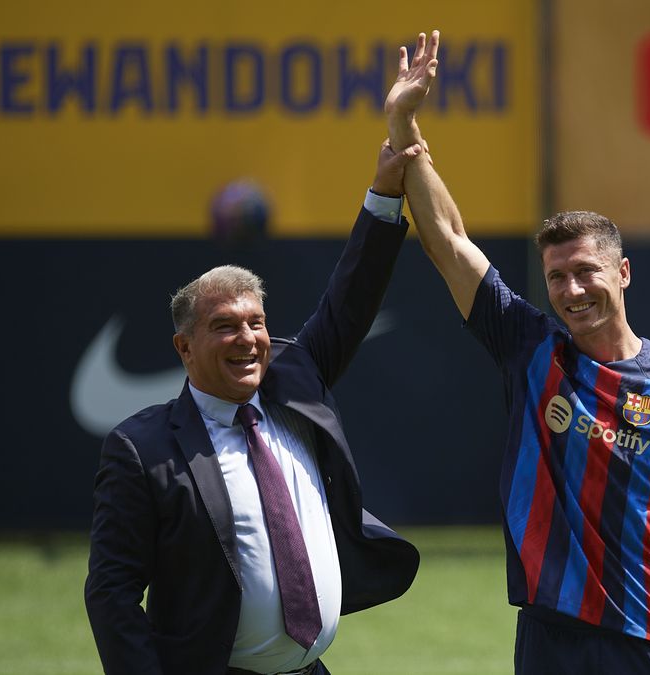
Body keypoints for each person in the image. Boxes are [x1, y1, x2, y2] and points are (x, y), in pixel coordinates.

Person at [381, 31, 650, 675]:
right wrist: (403, 122)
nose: (572, 289)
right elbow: (447, 239)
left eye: (586, 271)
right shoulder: (530, 348)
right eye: (557, 276)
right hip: (549, 636)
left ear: (623, 273)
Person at [83, 98, 428, 675]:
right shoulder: (141, 450)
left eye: (256, 322)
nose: (247, 339)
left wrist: (385, 191)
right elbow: (112, 595)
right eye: (224, 327)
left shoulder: (293, 381)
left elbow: (352, 296)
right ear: (184, 347)